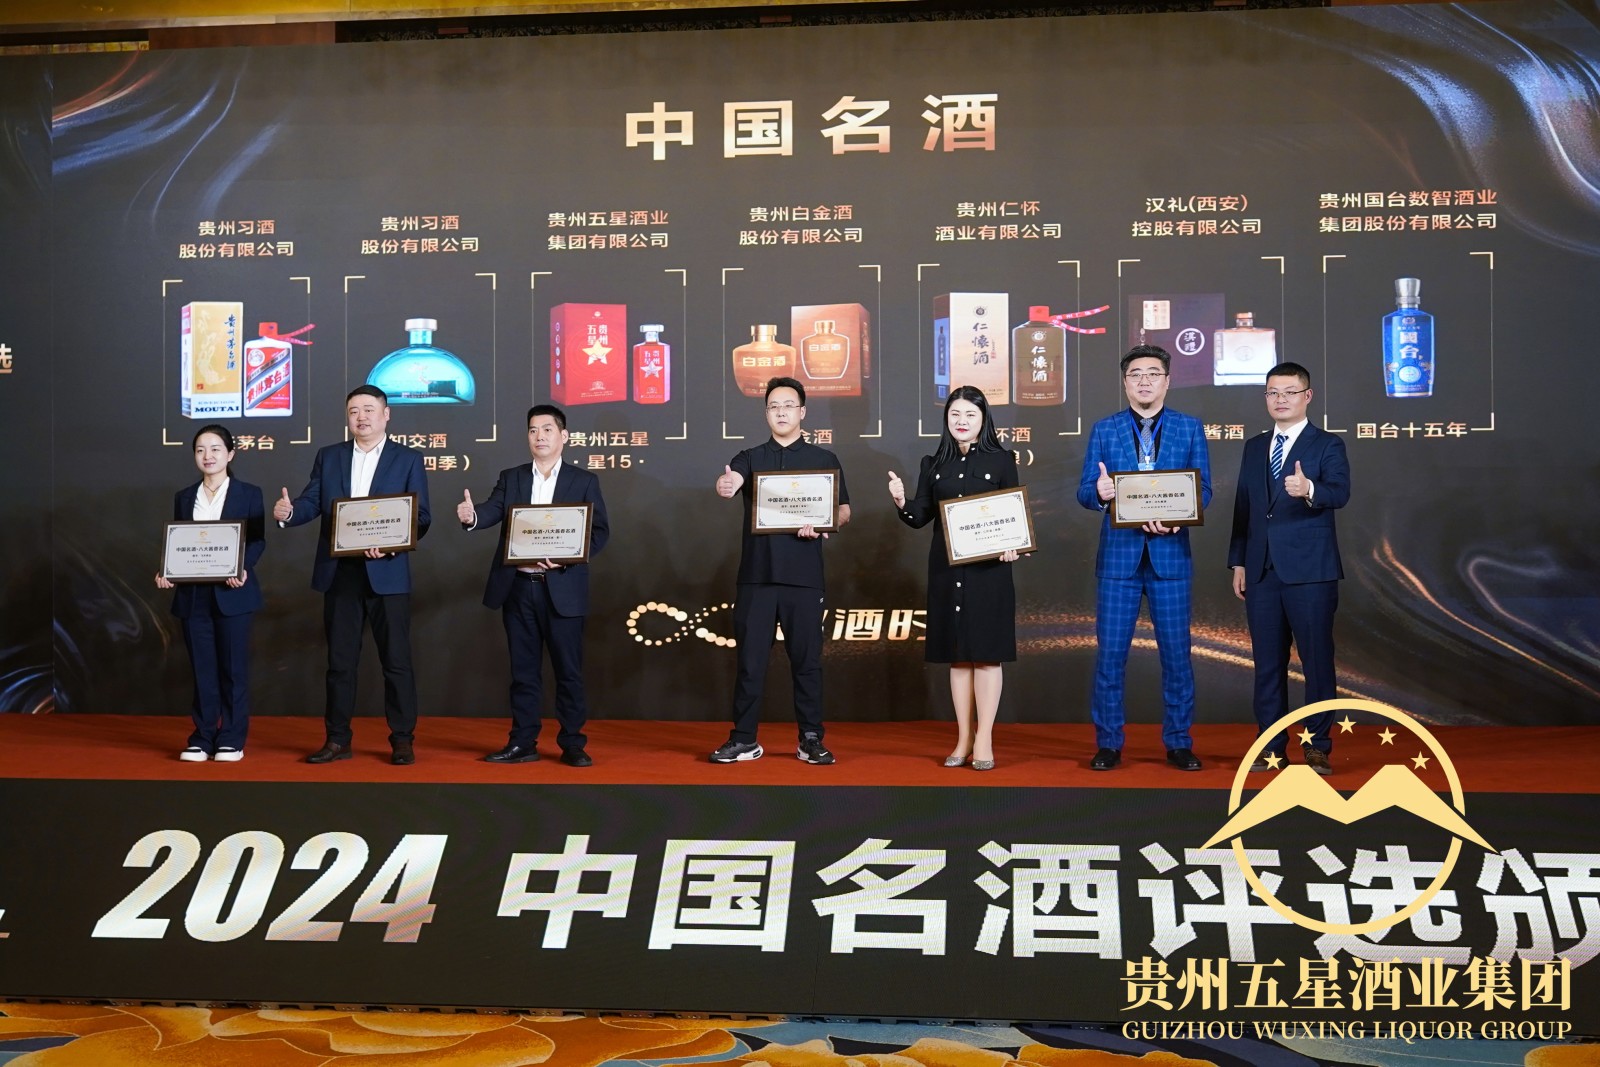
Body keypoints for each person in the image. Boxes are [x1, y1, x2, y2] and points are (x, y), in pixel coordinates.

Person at [274, 384, 431, 765]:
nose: (361, 417)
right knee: (340, 663)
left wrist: (391, 543)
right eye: (354, 411)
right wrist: (290, 513)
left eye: (368, 409)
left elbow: (421, 516)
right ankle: (337, 740)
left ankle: (402, 739)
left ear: (386, 414)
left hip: (387, 573)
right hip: (341, 573)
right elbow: (312, 501)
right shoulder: (329, 456)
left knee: (396, 662)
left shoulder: (408, 459)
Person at [1076, 344, 1213, 771]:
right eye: (1136, 374)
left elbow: (1204, 489)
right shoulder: (1105, 429)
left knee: (1177, 657)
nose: (1144, 381)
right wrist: (1099, 494)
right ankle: (1108, 743)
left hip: (1170, 559)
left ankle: (1179, 742)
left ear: (1167, 381)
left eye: (1153, 373)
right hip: (1119, 560)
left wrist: (1178, 518)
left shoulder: (1189, 428)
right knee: (1110, 658)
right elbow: (1084, 491)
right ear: (1125, 382)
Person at [458, 404, 609, 767]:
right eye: (532, 430)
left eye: (547, 429)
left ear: (564, 436)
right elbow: (492, 510)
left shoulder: (583, 480)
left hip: (563, 587)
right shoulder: (512, 477)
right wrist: (472, 516)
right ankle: (522, 742)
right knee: (523, 672)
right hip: (518, 587)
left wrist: (568, 557)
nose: (539, 436)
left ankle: (572, 743)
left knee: (568, 672)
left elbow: (599, 531)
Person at [711, 376, 850, 764]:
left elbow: (843, 510)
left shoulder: (824, 459)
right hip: (757, 577)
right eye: (774, 406)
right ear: (766, 413)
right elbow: (732, 479)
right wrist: (727, 484)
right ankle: (744, 739)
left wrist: (824, 523)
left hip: (804, 579)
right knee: (750, 663)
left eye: (789, 405)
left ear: (802, 411)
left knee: (807, 663)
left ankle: (810, 739)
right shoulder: (750, 457)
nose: (782, 412)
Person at [1227, 362, 1351, 775]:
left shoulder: (1327, 444)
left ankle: (1317, 746)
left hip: (1310, 571)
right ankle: (1271, 746)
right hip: (1261, 570)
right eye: (1273, 392)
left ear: (1307, 396)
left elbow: (1341, 492)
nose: (1280, 399)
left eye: (1289, 392)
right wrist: (1239, 561)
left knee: (1316, 662)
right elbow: (1244, 508)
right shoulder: (1254, 446)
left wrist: (1309, 488)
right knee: (1267, 664)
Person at [888, 386, 1021, 770]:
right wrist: (901, 501)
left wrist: (1013, 545)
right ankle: (963, 737)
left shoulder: (1002, 460)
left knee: (987, 656)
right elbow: (920, 515)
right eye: (955, 415)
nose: (962, 422)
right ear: (946, 419)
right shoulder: (933, 464)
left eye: (970, 415)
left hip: (989, 572)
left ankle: (985, 737)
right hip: (947, 571)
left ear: (983, 420)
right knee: (958, 659)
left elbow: (1013, 513)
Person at [155, 425, 266, 762]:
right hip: (194, 597)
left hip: (233, 593)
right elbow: (179, 542)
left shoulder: (249, 493)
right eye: (201, 449)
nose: (208, 456)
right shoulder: (184, 496)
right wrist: (167, 571)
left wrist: (242, 567)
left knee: (233, 670)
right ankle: (202, 737)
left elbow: (257, 540)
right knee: (202, 670)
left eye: (216, 449)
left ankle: (231, 738)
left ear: (230, 454)